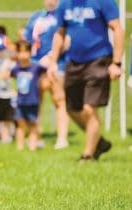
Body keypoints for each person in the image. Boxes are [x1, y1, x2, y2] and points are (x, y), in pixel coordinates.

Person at [49, 0, 124, 161]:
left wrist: (116, 63)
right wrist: (53, 62)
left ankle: (88, 155)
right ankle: (99, 142)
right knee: (71, 108)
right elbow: (59, 33)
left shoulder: (103, 2)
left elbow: (117, 28)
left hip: (99, 59)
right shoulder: (65, 4)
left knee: (90, 109)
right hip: (74, 61)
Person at [25, 0, 69, 150]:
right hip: (36, 66)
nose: (51, 1)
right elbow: (27, 39)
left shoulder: (63, 16)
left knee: (59, 100)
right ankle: (36, 136)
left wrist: (51, 58)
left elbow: (67, 40)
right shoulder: (37, 17)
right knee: (34, 102)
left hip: (57, 65)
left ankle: (62, 139)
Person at [6, 40, 46, 151]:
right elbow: (6, 76)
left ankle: (32, 147)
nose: (23, 55)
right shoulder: (16, 68)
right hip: (20, 101)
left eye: (26, 52)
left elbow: (46, 73)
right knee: (20, 124)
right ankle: (20, 147)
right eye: (20, 52)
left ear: (30, 52)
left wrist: (45, 83)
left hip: (33, 100)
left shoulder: (36, 67)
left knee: (33, 124)